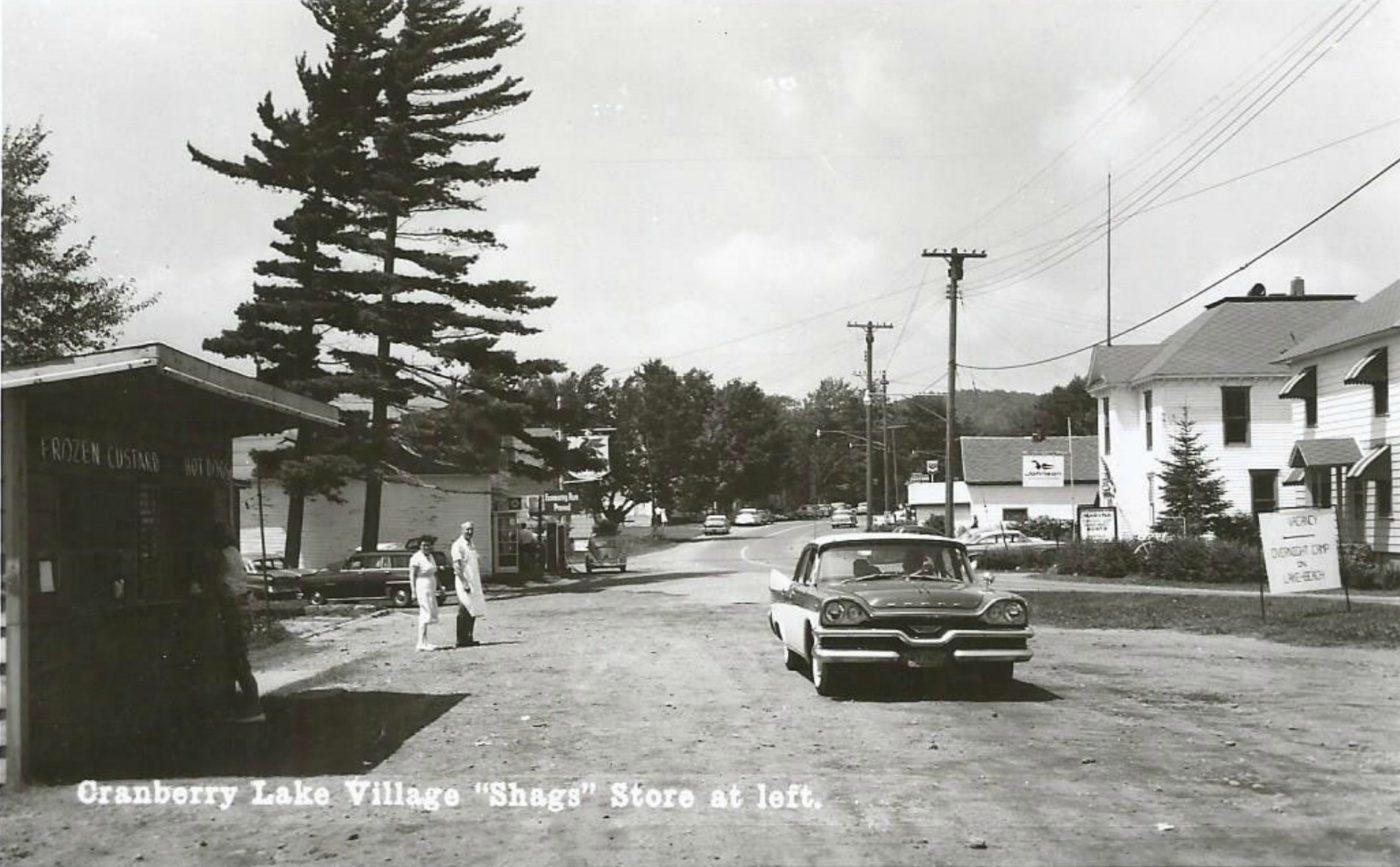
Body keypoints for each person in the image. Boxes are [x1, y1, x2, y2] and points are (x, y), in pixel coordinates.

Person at [208, 525, 263, 722]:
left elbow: (218, 581)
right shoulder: (234, 552)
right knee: (239, 657)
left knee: (236, 658)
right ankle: (250, 705)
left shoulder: (221, 556)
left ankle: (254, 708)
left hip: (230, 603)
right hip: (240, 602)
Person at [451, 521, 487, 647]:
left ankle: (469, 637)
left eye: (471, 529)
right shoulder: (458, 545)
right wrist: (464, 582)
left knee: (473, 609)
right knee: (464, 609)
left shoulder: (471, 544)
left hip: (474, 580)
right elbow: (457, 567)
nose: (470, 532)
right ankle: (460, 640)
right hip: (464, 581)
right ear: (462, 530)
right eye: (467, 530)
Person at [409, 538, 441, 651]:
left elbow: (434, 572)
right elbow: (412, 575)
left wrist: (440, 587)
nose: (426, 547)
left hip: (431, 585)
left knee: (429, 611)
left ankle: (425, 641)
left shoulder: (431, 557)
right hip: (422, 585)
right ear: (419, 546)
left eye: (428, 545)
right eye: (423, 545)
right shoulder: (416, 558)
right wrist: (413, 591)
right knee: (424, 612)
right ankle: (420, 643)